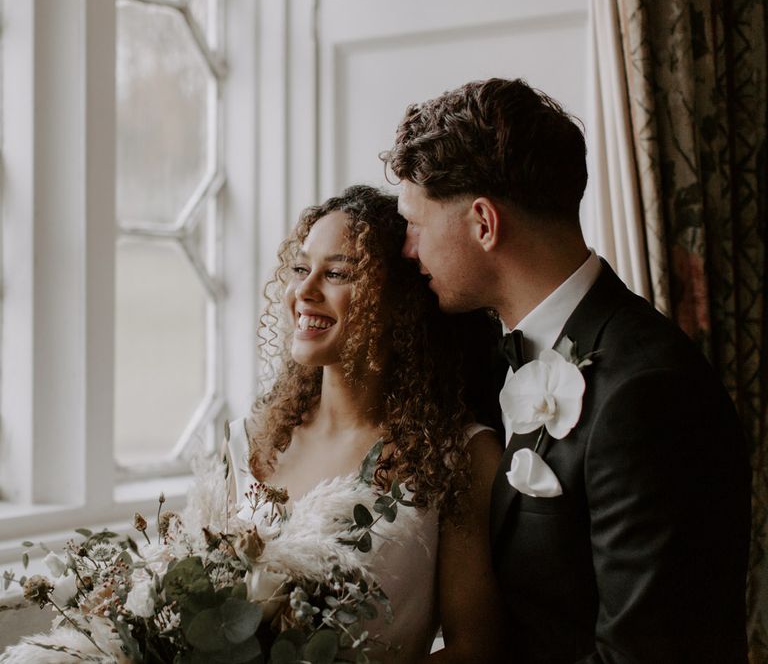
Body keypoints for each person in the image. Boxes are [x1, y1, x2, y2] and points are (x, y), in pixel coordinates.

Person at [381, 78, 751, 662]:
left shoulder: (650, 393)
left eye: (415, 225)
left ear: (483, 223)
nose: (407, 250)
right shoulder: (482, 353)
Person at [227, 185, 505, 663]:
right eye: (300, 268)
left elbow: (477, 648)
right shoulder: (253, 440)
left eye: (336, 273)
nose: (304, 291)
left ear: (401, 303)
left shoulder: (460, 457)